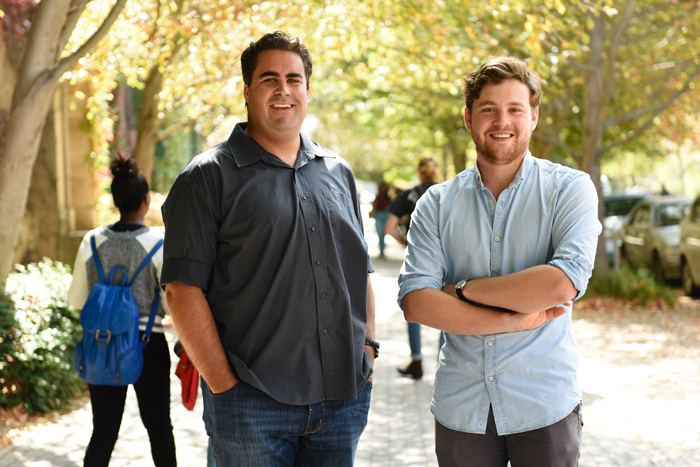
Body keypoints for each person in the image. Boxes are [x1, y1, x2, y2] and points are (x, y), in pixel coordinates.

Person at [160, 31, 376, 467]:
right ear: (246, 91)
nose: (284, 90)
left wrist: (368, 349)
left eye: (294, 79)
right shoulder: (205, 178)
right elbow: (182, 291)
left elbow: (360, 271)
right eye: (269, 79)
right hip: (250, 404)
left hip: (342, 399)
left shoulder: (339, 172)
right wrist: (223, 384)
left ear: (308, 90)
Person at [398, 56, 601, 466]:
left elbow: (561, 284)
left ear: (534, 117)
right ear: (469, 118)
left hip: (543, 403)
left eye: (515, 109)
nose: (501, 121)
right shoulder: (436, 204)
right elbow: (416, 302)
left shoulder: (570, 190)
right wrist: (513, 318)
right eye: (489, 109)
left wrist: (461, 290)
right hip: (462, 409)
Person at [68, 156, 176, 467]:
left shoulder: (91, 240)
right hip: (148, 346)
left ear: (115, 201)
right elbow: (172, 303)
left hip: (101, 343)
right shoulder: (160, 243)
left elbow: (78, 299)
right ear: (146, 200)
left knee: (103, 431)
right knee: (159, 429)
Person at [387, 157, 441, 380]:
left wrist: (407, 243)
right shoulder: (450, 191)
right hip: (446, 260)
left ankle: (417, 361)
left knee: (414, 309)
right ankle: (443, 363)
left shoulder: (408, 195)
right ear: (436, 172)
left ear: (419, 173)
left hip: (417, 260)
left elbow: (390, 228)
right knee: (450, 307)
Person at [372, 182, 393, 258]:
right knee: (380, 233)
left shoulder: (389, 198)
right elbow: (374, 207)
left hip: (386, 215)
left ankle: (382, 251)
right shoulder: (377, 197)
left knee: (383, 234)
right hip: (378, 215)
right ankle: (381, 250)